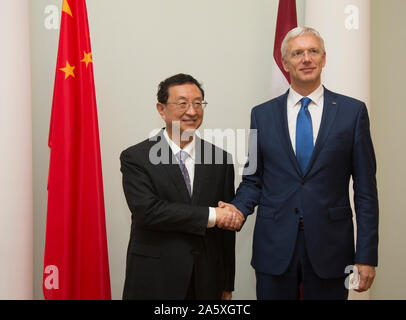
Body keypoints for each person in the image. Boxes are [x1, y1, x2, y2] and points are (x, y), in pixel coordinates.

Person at [220, 27, 379, 300]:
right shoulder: (262, 114)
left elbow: (366, 191)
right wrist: (237, 209)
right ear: (285, 63)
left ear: (324, 58)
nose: (306, 59)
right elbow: (254, 178)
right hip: (274, 246)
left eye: (313, 51)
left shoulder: (353, 113)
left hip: (331, 248)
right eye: (297, 53)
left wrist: (366, 255)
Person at [120, 73, 243, 300]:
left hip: (207, 281)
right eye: (182, 103)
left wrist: (227, 284)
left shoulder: (220, 159)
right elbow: (148, 211)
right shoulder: (136, 157)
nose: (192, 111)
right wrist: (212, 215)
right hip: (155, 279)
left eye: (198, 103)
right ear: (161, 109)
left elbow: (226, 234)